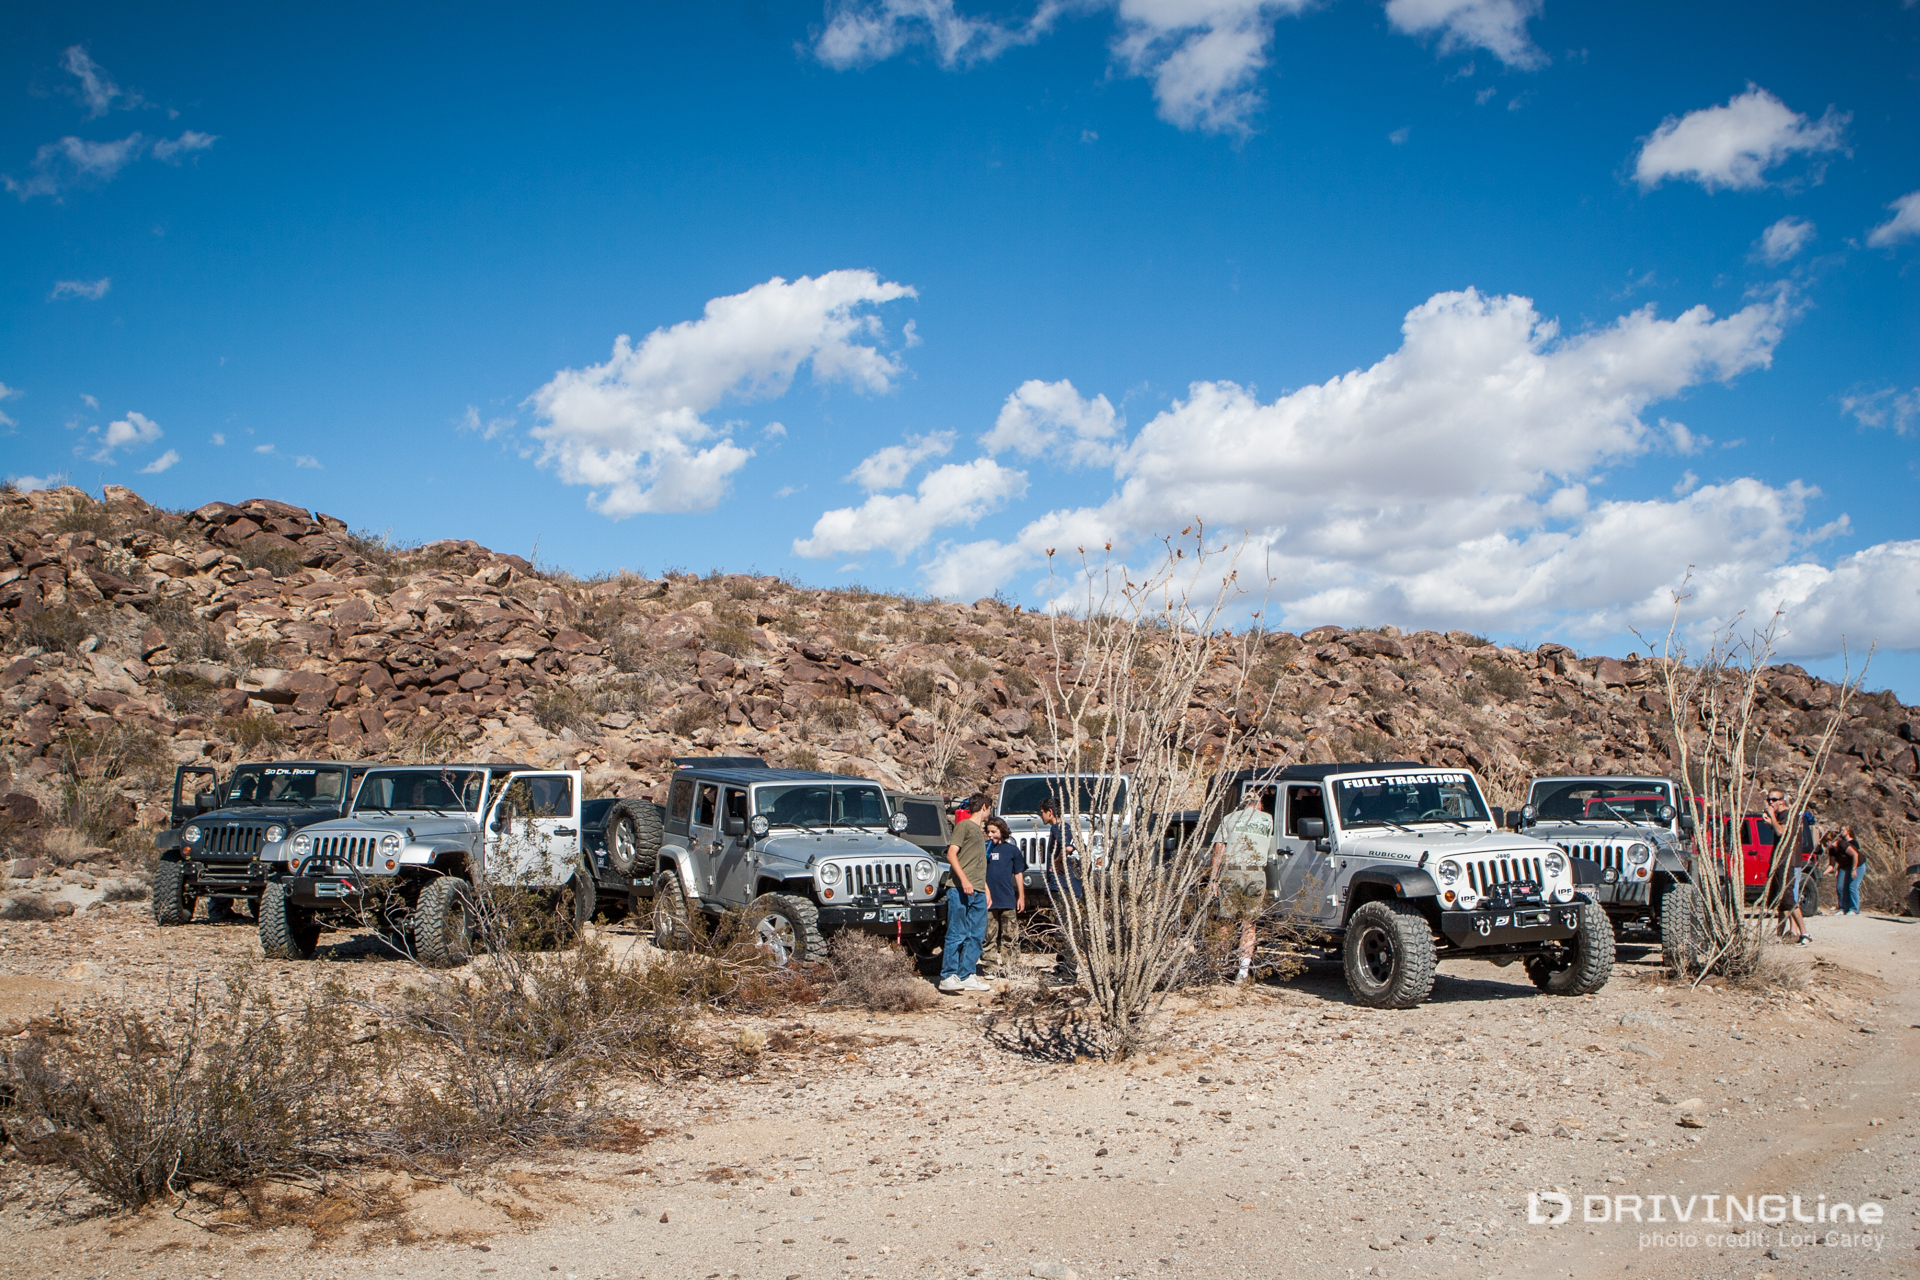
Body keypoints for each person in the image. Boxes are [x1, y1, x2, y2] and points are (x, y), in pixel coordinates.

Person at [1209, 787, 1274, 983]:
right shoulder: (1268, 820)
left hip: (1233, 872)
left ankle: (1219, 970)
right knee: (1249, 923)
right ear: (1259, 804)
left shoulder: (1229, 818)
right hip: (1256, 874)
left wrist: (1213, 879)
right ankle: (1243, 973)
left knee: (1226, 922)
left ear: (1242, 804)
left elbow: (1219, 847)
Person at [938, 793, 993, 993]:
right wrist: (964, 880)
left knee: (976, 934)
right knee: (957, 932)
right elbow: (951, 854)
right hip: (960, 889)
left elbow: (976, 864)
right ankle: (948, 975)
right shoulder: (964, 826)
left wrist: (985, 887)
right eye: (989, 808)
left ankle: (967, 974)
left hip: (977, 889)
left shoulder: (979, 831)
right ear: (985, 807)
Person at [1037, 800, 1084, 986]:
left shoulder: (1059, 828)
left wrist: (1055, 864)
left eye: (1042, 812)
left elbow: (1068, 848)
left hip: (1063, 886)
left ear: (1050, 811)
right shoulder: (1062, 827)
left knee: (1064, 929)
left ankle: (1068, 973)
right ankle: (1062, 966)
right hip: (1066, 885)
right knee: (1062, 926)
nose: (1041, 816)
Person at [981, 815, 1026, 977]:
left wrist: (1021, 896)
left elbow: (1018, 873)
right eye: (988, 832)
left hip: (1007, 898)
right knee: (989, 935)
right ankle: (990, 967)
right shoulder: (984, 849)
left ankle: (1011, 967)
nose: (990, 835)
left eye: (993, 831)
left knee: (1010, 935)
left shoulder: (1012, 850)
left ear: (1002, 831)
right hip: (988, 900)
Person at [1764, 789, 1809, 945]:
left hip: (1788, 861)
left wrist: (1772, 819)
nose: (1771, 803)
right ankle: (1779, 933)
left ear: (1782, 800)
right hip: (1781, 860)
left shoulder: (1788, 814)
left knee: (1789, 899)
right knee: (1781, 899)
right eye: (1768, 800)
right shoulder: (1782, 816)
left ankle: (1804, 933)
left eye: (1774, 799)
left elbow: (1781, 831)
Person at [1833, 824, 1865, 915]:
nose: (1841, 832)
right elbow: (1841, 859)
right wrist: (1838, 869)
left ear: (1848, 831)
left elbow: (1855, 856)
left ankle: (1854, 908)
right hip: (1845, 867)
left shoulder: (1853, 843)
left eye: (1843, 830)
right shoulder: (1840, 844)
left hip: (1855, 865)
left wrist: (1854, 869)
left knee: (1852, 886)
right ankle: (1843, 907)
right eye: (1840, 830)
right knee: (1842, 887)